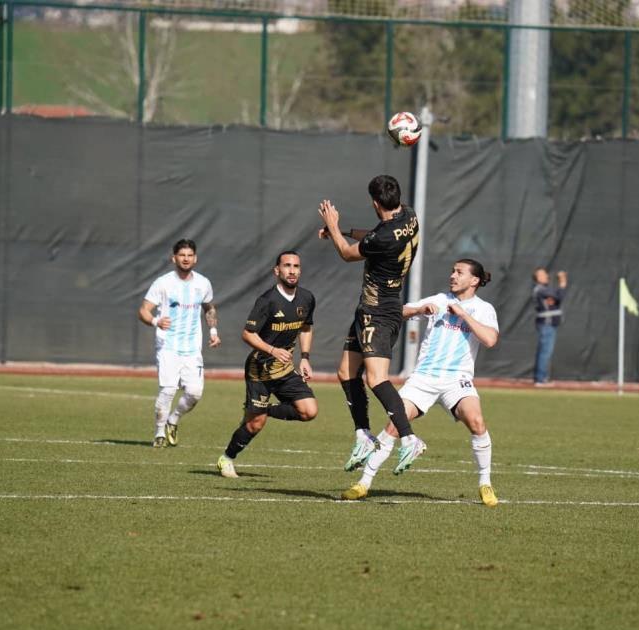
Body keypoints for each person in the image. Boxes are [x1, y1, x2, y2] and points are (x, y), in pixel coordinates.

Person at [341, 259, 501, 507]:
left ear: (474, 280)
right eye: (452, 271)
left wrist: (463, 314)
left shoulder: (483, 308)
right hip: (423, 378)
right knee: (394, 426)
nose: (453, 276)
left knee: (477, 422)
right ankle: (363, 483)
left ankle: (485, 483)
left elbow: (490, 340)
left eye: (459, 272)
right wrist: (419, 310)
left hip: (456, 380)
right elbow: (399, 312)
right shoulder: (439, 299)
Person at [317, 174, 426, 475]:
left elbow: (347, 253)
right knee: (346, 372)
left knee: (376, 379)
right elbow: (376, 236)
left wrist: (334, 226)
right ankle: (363, 435)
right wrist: (345, 231)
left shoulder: (384, 236)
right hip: (372, 308)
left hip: (378, 312)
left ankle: (409, 439)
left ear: (375, 203)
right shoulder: (409, 215)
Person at [216, 251, 318, 478]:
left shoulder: (307, 298)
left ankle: (263, 410)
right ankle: (227, 458)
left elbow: (306, 327)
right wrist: (272, 350)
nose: (292, 271)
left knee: (309, 411)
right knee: (255, 425)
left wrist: (305, 358)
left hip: (284, 370)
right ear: (277, 271)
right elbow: (247, 334)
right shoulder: (267, 300)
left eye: (296, 266)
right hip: (259, 371)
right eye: (287, 266)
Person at [138, 239, 220, 448]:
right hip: (168, 346)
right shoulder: (163, 283)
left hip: (192, 349)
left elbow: (209, 308)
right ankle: (159, 433)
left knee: (195, 393)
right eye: (182, 255)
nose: (186, 259)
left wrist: (213, 331)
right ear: (173, 258)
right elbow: (143, 310)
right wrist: (156, 321)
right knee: (167, 390)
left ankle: (173, 420)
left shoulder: (203, 283)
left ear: (195, 258)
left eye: (190, 255)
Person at [531, 267, 568, 385]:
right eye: (541, 274)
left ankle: (541, 377)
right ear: (536, 278)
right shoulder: (540, 289)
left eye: (545, 274)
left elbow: (556, 297)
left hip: (550, 324)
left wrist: (556, 295)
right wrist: (562, 282)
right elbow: (559, 296)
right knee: (545, 352)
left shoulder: (545, 289)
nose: (545, 276)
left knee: (545, 352)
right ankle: (540, 379)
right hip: (546, 324)